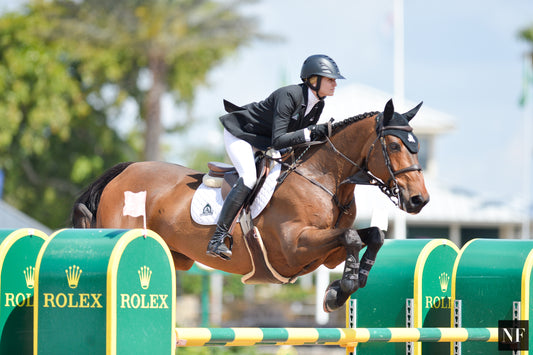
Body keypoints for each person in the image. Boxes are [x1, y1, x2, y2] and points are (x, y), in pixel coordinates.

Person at [206, 54, 345, 260]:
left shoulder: (318, 103)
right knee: (249, 178)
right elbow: (280, 139)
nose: (335, 84)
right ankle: (217, 239)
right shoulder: (288, 95)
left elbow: (297, 141)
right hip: (243, 135)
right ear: (314, 80)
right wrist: (310, 132)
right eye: (330, 79)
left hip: (265, 142)